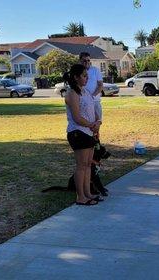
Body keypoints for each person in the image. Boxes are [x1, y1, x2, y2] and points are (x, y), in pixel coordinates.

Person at [63, 64, 102, 206]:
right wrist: (92, 125)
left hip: (89, 132)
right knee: (81, 166)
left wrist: (98, 122)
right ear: (75, 77)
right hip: (78, 133)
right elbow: (77, 117)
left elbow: (93, 110)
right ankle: (80, 197)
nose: (87, 78)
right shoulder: (71, 94)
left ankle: (88, 193)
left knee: (87, 165)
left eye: (87, 75)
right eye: (84, 76)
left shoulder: (85, 92)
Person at [79, 52, 103, 138]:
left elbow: (100, 85)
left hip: (95, 101)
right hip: (83, 102)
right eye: (84, 61)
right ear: (80, 61)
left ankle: (96, 143)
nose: (87, 62)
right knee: (86, 124)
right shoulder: (78, 73)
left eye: (88, 60)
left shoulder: (95, 70)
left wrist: (92, 96)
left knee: (97, 123)